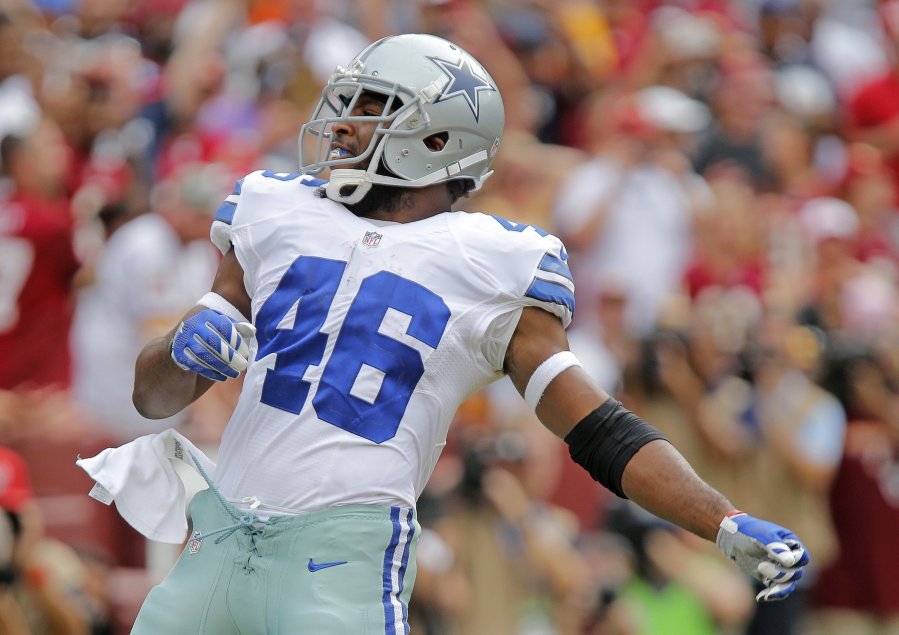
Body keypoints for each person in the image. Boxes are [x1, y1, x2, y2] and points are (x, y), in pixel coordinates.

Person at [126, 34, 809, 634]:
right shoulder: (275, 209)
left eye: (371, 107)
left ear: (435, 141)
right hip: (212, 543)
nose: (341, 124)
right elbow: (152, 398)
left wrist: (719, 520)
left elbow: (597, 427)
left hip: (337, 562)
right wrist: (182, 347)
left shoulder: (494, 261)